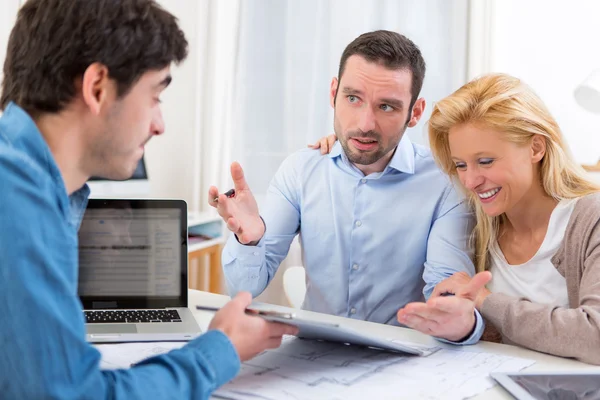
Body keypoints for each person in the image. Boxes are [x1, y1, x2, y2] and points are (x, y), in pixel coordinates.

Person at [0, 0, 297, 398]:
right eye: (155, 96)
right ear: (98, 88)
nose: (159, 125)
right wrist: (219, 350)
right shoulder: (18, 205)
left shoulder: (32, 187)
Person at [209, 30, 487, 344]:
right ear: (333, 93)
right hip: (311, 358)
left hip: (399, 363)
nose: (365, 123)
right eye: (353, 98)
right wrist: (250, 241)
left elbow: (446, 289)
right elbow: (244, 287)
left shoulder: (445, 185)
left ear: (416, 112)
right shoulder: (301, 170)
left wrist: (456, 316)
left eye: (387, 107)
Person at [396, 73, 600, 364]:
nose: (470, 180)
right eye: (461, 165)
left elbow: (595, 337)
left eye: (486, 161)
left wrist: (486, 301)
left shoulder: (590, 220)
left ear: (536, 148)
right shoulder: (478, 228)